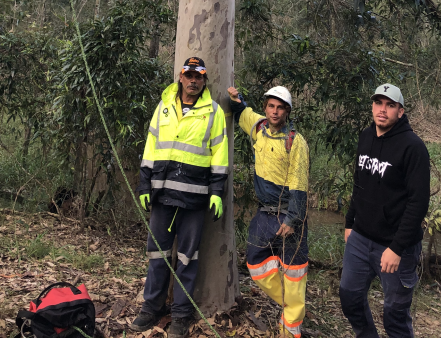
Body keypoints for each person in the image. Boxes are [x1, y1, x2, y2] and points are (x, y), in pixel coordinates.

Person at [132, 57, 228, 338]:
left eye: (198, 77)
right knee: (157, 255)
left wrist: (217, 193)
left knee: (187, 258)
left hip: (195, 198)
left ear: (204, 80)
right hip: (161, 195)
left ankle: (181, 316)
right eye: (189, 75)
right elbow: (151, 146)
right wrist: (144, 186)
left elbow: (219, 155)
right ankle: (152, 307)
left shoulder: (213, 112)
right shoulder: (164, 107)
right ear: (181, 77)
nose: (193, 81)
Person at [339, 84, 430, 338]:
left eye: (390, 105)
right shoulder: (366, 137)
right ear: (372, 106)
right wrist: (349, 221)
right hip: (360, 237)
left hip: (396, 247)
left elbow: (418, 203)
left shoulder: (413, 148)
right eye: (379, 103)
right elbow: (359, 182)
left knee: (395, 315)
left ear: (400, 111)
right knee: (349, 297)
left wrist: (397, 247)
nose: (383, 109)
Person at [228, 84, 309, 338]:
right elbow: (243, 113)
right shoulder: (259, 128)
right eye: (271, 106)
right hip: (264, 213)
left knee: (294, 274)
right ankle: (290, 304)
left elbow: (299, 184)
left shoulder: (296, 142)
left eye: (280, 108)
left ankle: (290, 332)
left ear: (288, 112)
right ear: (266, 108)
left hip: (288, 215)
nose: (275, 112)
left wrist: (293, 218)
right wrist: (237, 100)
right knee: (255, 263)